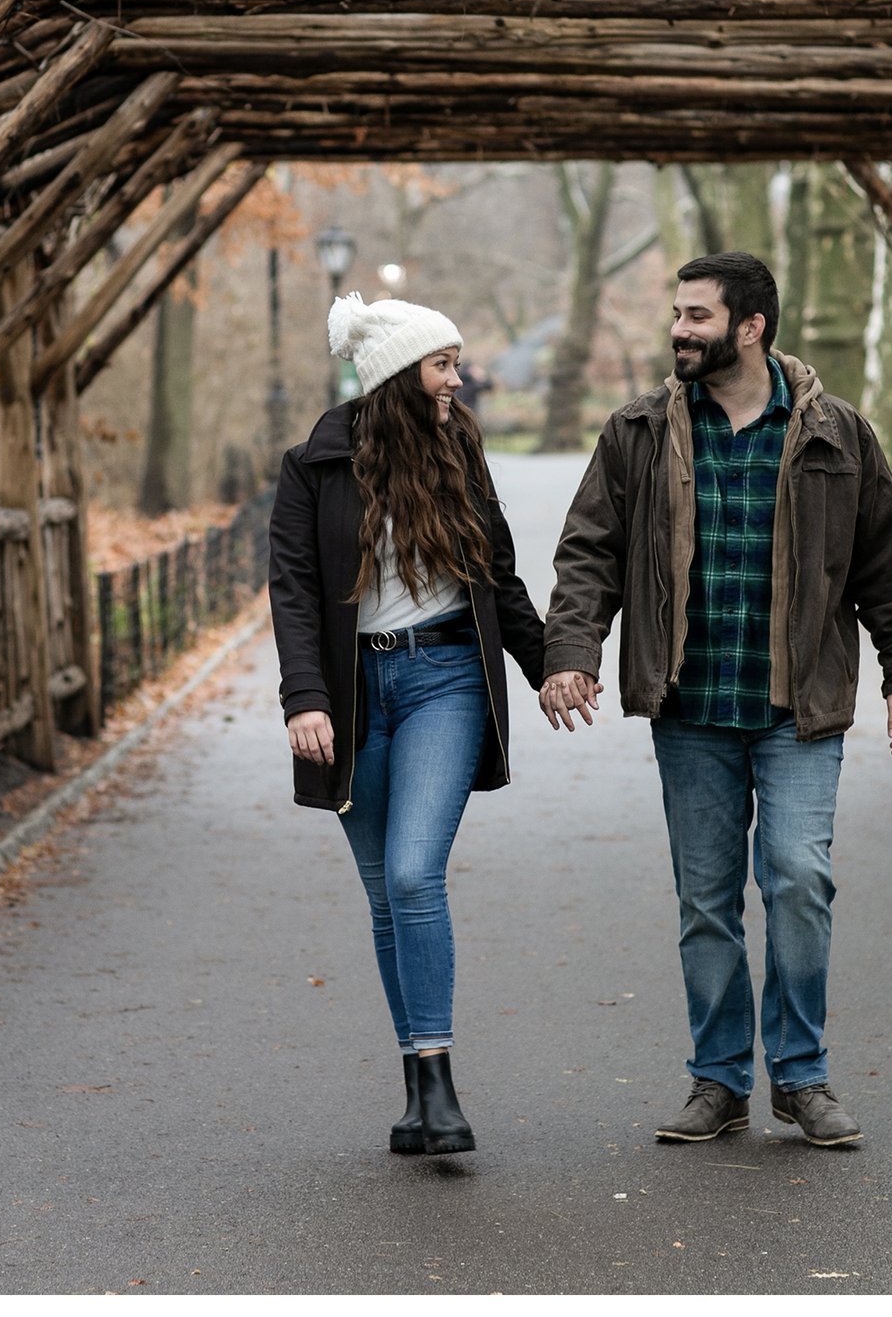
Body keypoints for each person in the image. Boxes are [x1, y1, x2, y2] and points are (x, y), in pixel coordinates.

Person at [539, 252, 892, 1150]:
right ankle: (718, 1078)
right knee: (707, 899)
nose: (679, 330)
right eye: (677, 314)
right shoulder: (637, 430)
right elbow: (587, 550)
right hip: (691, 707)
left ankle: (800, 1074)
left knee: (798, 880)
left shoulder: (838, 434)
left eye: (697, 316)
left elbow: (886, 563)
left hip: (799, 709)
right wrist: (572, 650)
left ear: (751, 327)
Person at [270, 294, 546, 1158]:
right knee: (387, 895)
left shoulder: (459, 446)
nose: (457, 379)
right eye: (443, 364)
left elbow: (497, 567)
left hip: (445, 677)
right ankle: (418, 1090)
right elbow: (293, 590)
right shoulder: (313, 464)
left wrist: (551, 665)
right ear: (397, 374)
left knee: (416, 874)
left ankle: (442, 1087)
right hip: (354, 697)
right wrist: (304, 698)